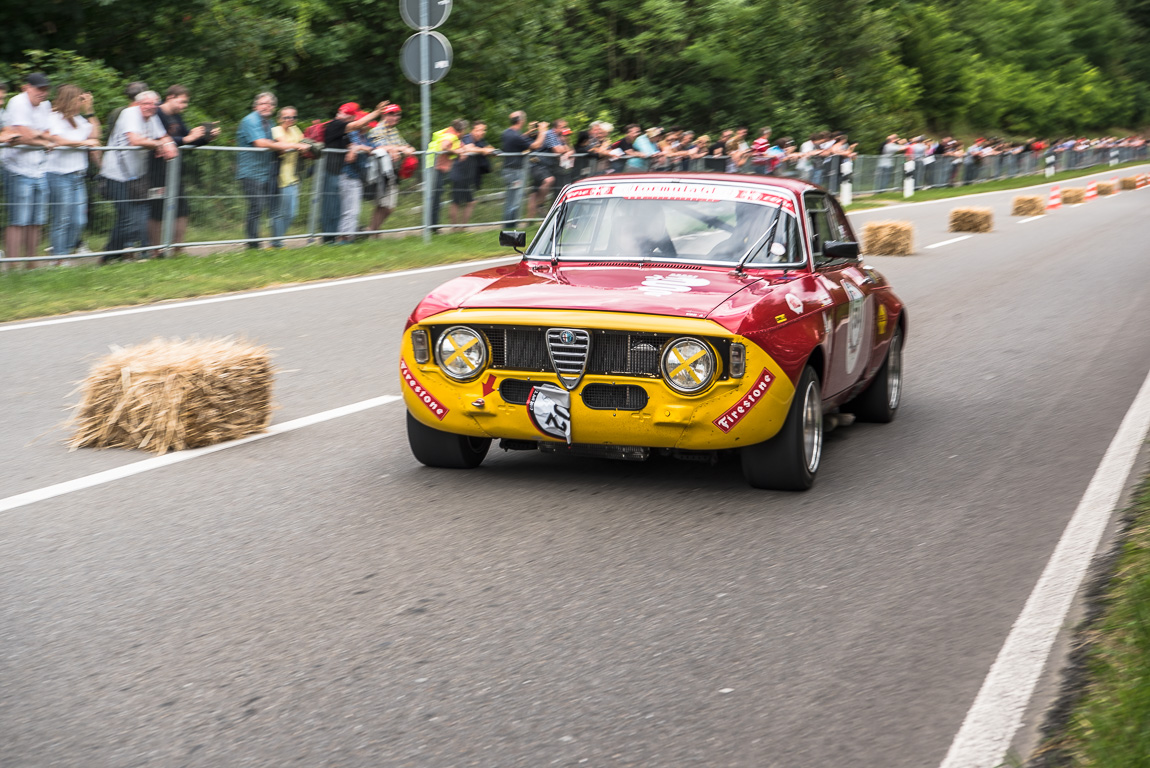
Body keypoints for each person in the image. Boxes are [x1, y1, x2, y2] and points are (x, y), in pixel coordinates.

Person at [100, 90, 178, 260]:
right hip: (117, 175)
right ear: (138, 104)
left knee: (138, 217)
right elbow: (134, 140)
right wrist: (159, 145)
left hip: (137, 176)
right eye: (146, 104)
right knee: (128, 218)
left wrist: (169, 144)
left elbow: (162, 135)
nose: (150, 107)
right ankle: (111, 255)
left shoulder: (152, 116)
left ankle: (112, 255)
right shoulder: (130, 114)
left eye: (153, 104)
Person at [150, 84, 219, 253]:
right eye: (182, 102)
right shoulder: (155, 113)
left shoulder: (177, 116)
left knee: (182, 209)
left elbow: (188, 139)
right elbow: (157, 138)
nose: (184, 106)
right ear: (170, 97)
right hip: (156, 169)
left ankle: (178, 249)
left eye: (186, 103)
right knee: (156, 210)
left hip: (175, 169)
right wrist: (187, 139)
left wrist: (205, 138)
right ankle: (155, 250)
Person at [237, 92, 307, 249]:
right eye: (263, 103)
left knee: (274, 209)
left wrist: (285, 148)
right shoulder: (250, 120)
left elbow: (275, 145)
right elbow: (260, 143)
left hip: (267, 172)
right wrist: (295, 146)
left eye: (270, 104)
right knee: (256, 207)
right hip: (251, 172)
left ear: (274, 108)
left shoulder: (268, 123)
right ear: (255, 106)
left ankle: (275, 243)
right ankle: (253, 245)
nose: (266, 106)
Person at [2, 73, 56, 266]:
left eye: (45, 89)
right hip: (17, 169)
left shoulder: (46, 105)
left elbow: (49, 134)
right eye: (39, 89)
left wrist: (39, 137)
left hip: (39, 169)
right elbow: (21, 136)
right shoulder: (17, 103)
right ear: (28, 87)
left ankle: (32, 263)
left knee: (37, 219)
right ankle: (14, 264)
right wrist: (42, 139)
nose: (43, 93)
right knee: (18, 219)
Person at [45, 85, 100, 257]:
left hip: (77, 176)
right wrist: (84, 143)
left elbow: (95, 135)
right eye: (80, 100)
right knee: (61, 219)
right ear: (70, 99)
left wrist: (90, 111)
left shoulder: (79, 119)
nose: (81, 103)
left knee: (79, 220)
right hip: (58, 174)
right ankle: (59, 258)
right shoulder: (53, 117)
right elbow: (56, 139)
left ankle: (63, 252)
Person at [320, 101, 384, 243]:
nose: (353, 120)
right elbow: (356, 126)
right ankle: (332, 239)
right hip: (334, 171)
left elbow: (352, 145)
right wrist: (376, 113)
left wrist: (354, 148)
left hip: (338, 172)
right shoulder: (336, 125)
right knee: (335, 208)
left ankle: (340, 238)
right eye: (351, 116)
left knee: (341, 208)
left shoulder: (344, 131)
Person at [366, 103, 415, 232]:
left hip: (393, 171)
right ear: (385, 115)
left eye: (398, 114)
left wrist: (406, 148)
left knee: (387, 207)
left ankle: (372, 231)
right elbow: (379, 147)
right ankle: (372, 231)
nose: (397, 117)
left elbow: (406, 146)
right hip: (381, 172)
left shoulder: (394, 130)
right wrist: (399, 148)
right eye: (393, 114)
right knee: (383, 206)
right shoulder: (377, 130)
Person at [499, 111, 547, 226]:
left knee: (510, 198)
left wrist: (528, 133)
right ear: (520, 121)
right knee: (515, 200)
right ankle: (510, 225)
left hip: (508, 170)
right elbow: (536, 145)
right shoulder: (515, 136)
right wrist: (543, 131)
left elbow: (518, 140)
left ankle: (508, 224)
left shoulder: (507, 133)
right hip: (515, 172)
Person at [449, 120, 496, 229]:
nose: (481, 132)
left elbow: (490, 149)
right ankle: (455, 228)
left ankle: (462, 227)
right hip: (459, 174)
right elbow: (469, 148)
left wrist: (491, 151)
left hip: (468, 177)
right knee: (457, 202)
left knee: (470, 202)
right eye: (478, 130)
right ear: (472, 130)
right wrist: (483, 151)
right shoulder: (466, 138)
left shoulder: (481, 141)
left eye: (483, 130)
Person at [270, 106, 304, 247]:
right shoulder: (276, 129)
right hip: (280, 176)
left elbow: (304, 142)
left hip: (294, 176)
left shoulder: (295, 129)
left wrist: (300, 146)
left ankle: (276, 241)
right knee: (280, 212)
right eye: (286, 117)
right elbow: (283, 145)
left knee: (291, 213)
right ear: (279, 118)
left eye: (293, 117)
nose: (290, 120)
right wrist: (298, 146)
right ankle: (277, 243)